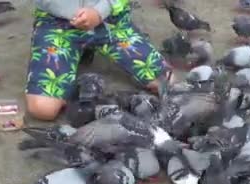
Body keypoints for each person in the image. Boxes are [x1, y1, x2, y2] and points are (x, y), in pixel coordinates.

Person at [25, 0, 173, 121]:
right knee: (43, 108)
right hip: (57, 23)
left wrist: (99, 11)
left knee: (166, 81)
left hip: (111, 20)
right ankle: (76, 55)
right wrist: (76, 14)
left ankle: (89, 49)